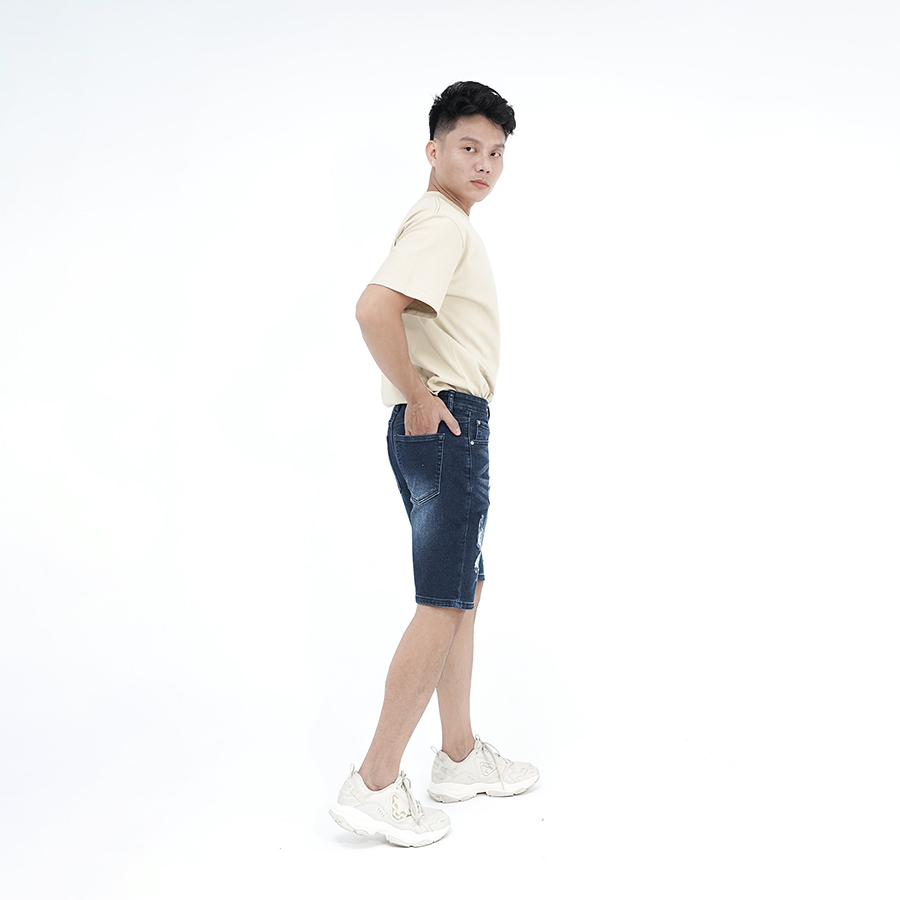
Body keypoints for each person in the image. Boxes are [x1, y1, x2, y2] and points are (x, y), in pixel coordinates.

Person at [329, 81, 538, 848]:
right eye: (468, 147)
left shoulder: (445, 224)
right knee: (444, 600)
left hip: (446, 421)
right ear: (433, 150)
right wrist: (420, 397)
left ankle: (457, 755)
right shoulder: (441, 223)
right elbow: (373, 307)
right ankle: (375, 782)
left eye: (496, 152)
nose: (484, 164)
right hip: (448, 420)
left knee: (463, 588)